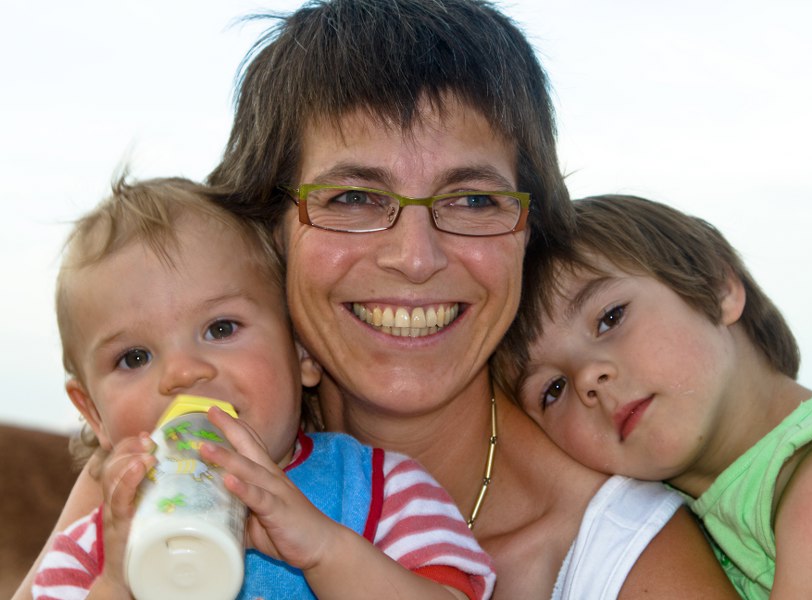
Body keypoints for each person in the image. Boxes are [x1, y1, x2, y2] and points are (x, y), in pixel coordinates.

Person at [17, 2, 739, 598]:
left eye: (473, 198)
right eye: (355, 197)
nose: (416, 258)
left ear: (527, 230)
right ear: (271, 230)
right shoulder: (161, 470)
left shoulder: (629, 558)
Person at [32, 175, 495, 600]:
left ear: (302, 351)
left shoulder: (381, 490)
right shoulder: (89, 551)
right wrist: (118, 584)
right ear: (93, 413)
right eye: (134, 357)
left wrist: (324, 550)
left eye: (220, 328)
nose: (183, 373)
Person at [494, 194, 812, 599]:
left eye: (610, 318)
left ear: (717, 289)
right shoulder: (669, 526)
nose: (588, 378)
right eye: (553, 389)